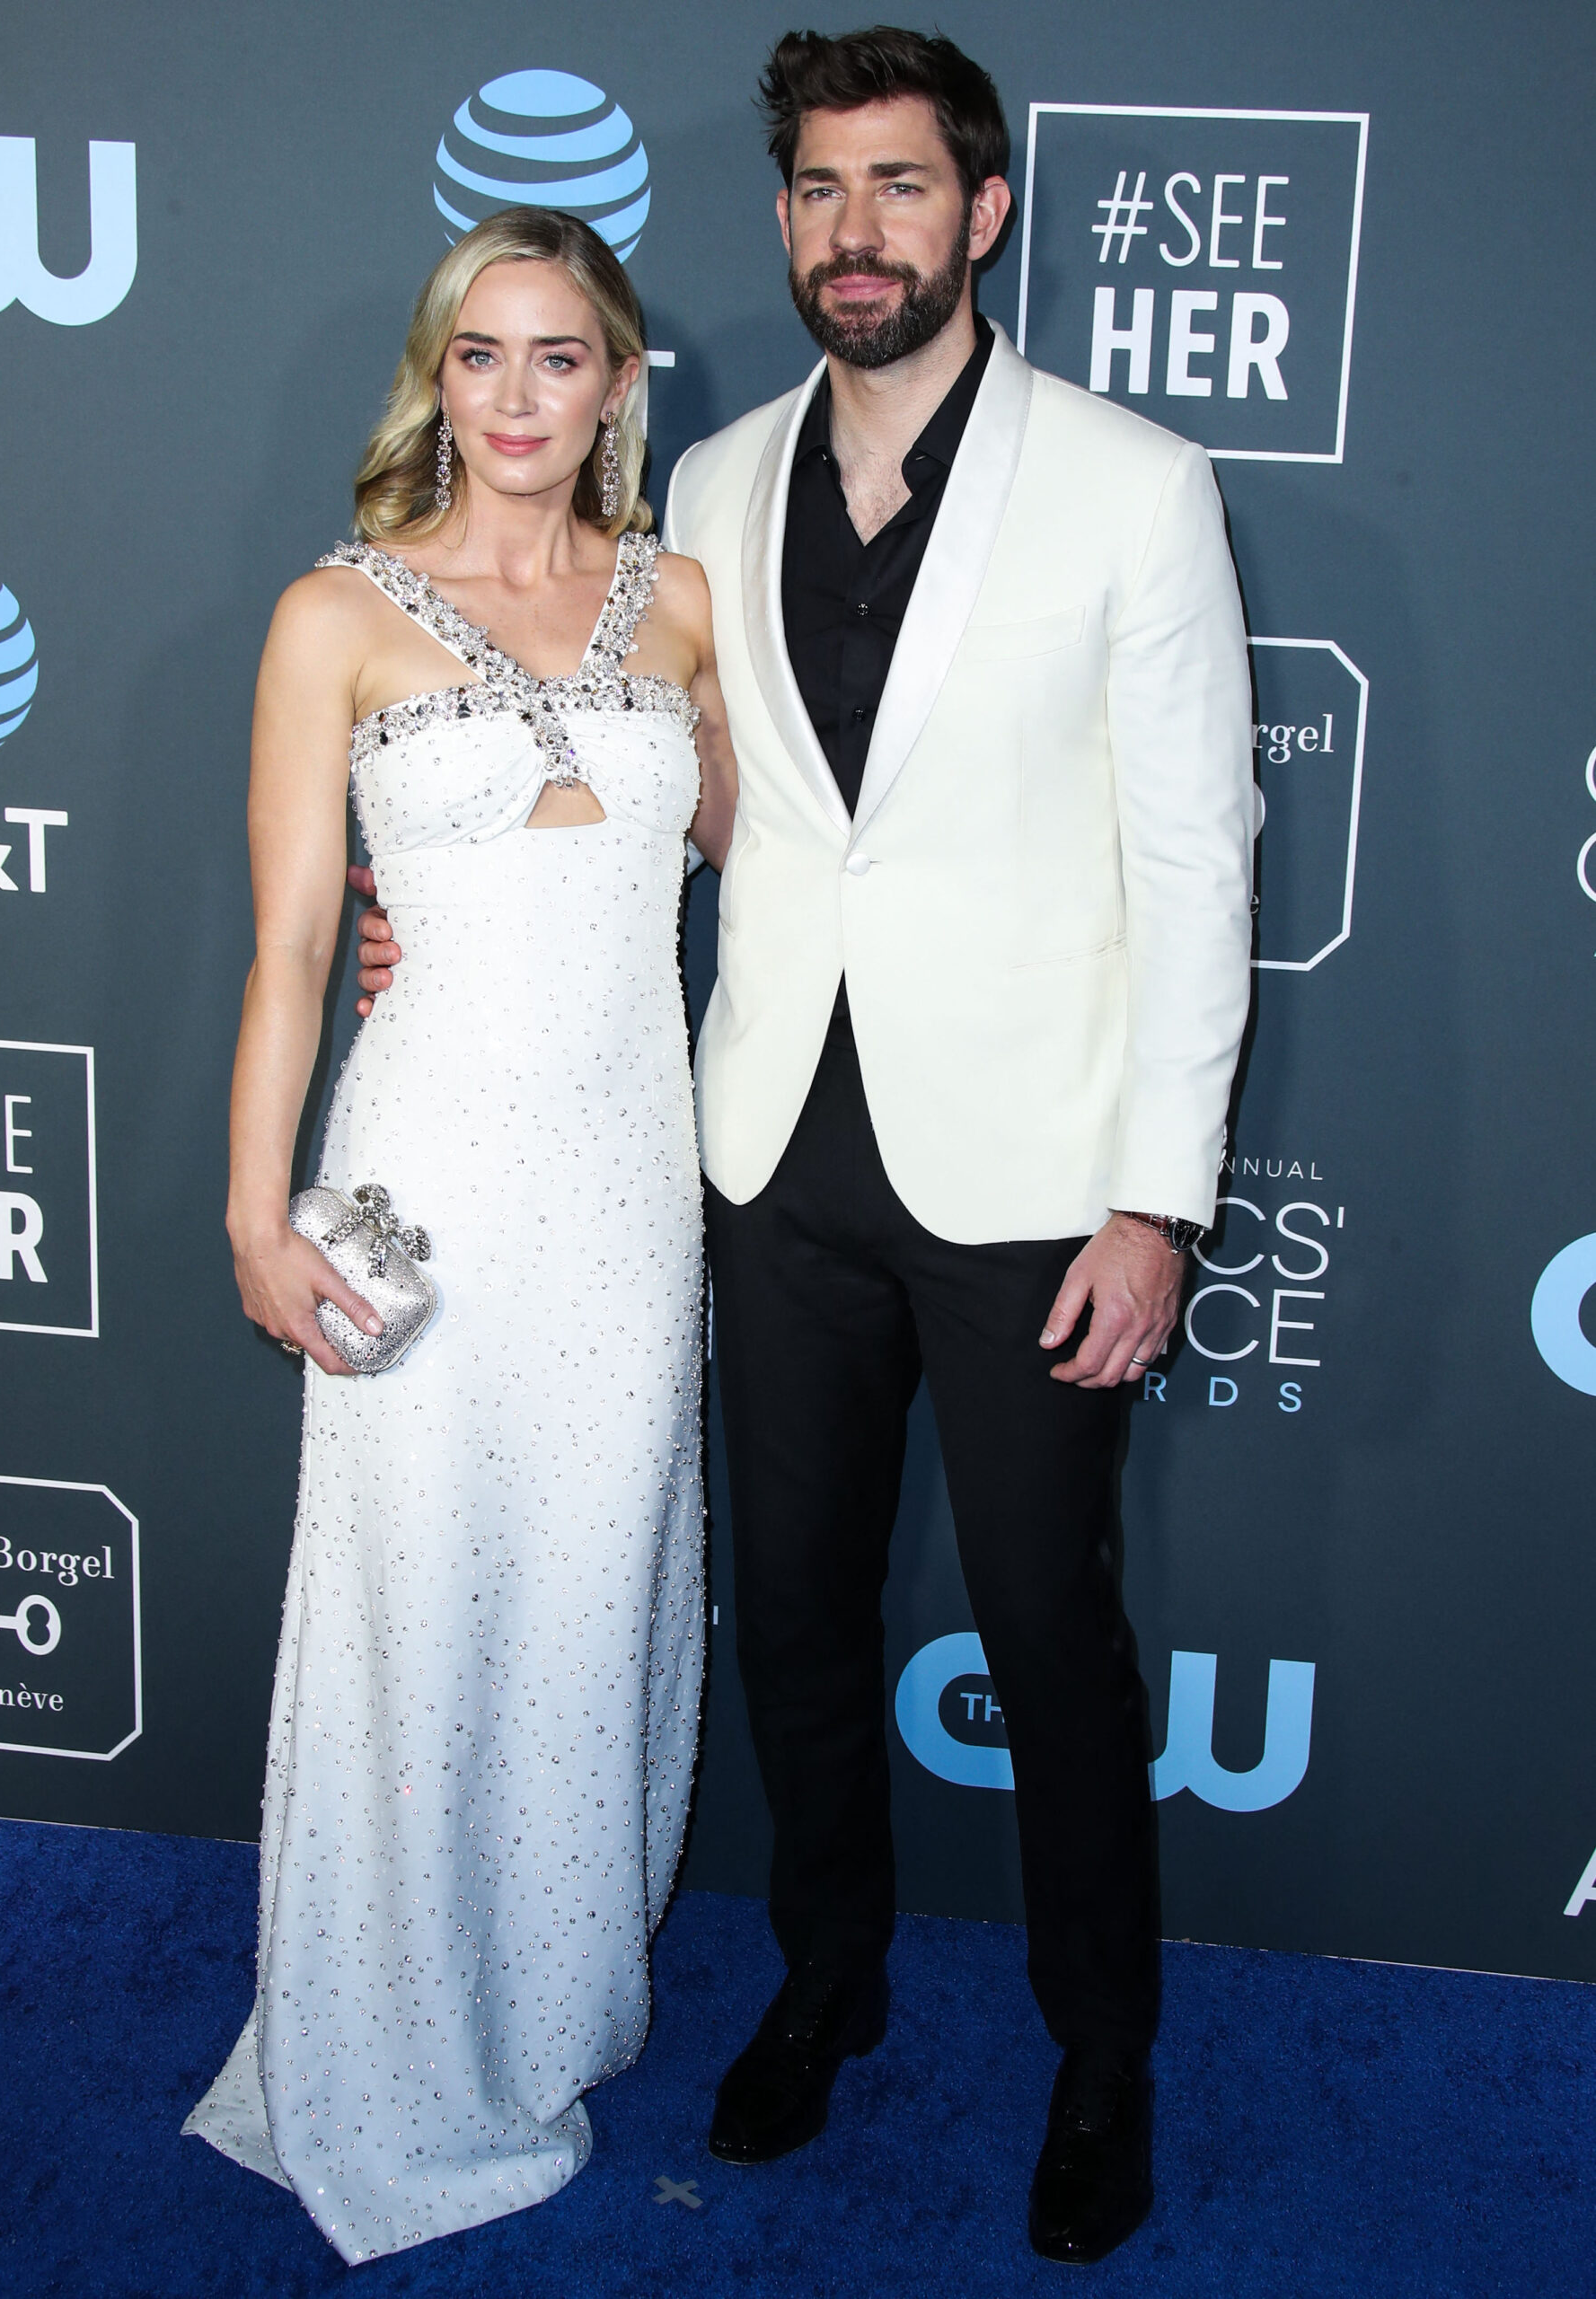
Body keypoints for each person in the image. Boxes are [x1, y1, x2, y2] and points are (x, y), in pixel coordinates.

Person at [357, 25, 1253, 2267]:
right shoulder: (715, 492)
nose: (860, 232)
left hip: (1039, 1177)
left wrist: (1159, 1195)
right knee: (798, 1631)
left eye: (903, 188)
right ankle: (825, 1985)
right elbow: (636, 789)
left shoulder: (1133, 487)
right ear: (785, 226)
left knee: (1053, 1631)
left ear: (985, 213)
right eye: (823, 193)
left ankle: (1099, 2059)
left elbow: (1201, 860)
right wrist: (432, 914)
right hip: (757, 1157)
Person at [185, 208, 735, 2264]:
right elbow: (298, 944)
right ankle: (395, 2036)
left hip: (623, 1192)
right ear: (440, 371)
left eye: (562, 358)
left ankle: (543, 2011)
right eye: (484, 356)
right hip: (428, 1181)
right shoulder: (336, 613)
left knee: (594, 1595)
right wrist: (253, 1211)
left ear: (619, 380)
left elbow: (780, 879)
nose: (521, 398)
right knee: (423, 1602)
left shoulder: (684, 602)